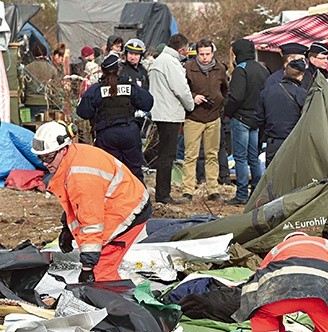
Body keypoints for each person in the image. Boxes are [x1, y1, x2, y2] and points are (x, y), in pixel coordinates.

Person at [31, 121, 152, 283]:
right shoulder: (73, 157)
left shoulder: (81, 177)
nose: (45, 163)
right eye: (41, 158)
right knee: (99, 267)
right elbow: (75, 202)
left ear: (64, 149)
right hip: (121, 201)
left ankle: (114, 304)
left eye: (49, 157)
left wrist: (88, 268)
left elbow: (91, 223)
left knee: (101, 273)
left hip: (126, 210)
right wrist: (67, 228)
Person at [77, 54, 153, 183]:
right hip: (129, 132)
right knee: (134, 172)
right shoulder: (130, 87)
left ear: (103, 71)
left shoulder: (96, 89)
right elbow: (148, 103)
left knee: (109, 173)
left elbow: (83, 112)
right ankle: (141, 202)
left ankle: (112, 202)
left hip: (106, 135)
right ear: (119, 69)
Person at [148, 33, 194, 204]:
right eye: (187, 49)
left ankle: (162, 193)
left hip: (160, 112)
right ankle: (163, 195)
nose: (188, 52)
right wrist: (190, 106)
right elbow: (181, 89)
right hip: (169, 114)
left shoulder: (159, 60)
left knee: (163, 154)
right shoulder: (171, 63)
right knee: (167, 156)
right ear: (181, 49)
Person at [223, 38, 269, 205]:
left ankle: (241, 194)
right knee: (254, 158)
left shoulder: (241, 70)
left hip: (241, 118)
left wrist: (227, 112)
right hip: (256, 119)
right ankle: (256, 192)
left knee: (240, 158)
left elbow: (235, 97)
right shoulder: (262, 70)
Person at [182, 39, 228, 202]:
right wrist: (194, 98)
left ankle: (213, 189)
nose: (205, 58)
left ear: (212, 53)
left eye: (207, 54)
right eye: (201, 54)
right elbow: (183, 90)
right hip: (194, 117)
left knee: (212, 154)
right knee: (191, 155)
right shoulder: (188, 68)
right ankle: (187, 189)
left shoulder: (220, 68)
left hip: (214, 117)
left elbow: (224, 89)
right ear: (197, 54)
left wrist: (220, 101)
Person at [256, 58, 306, 166]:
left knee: (272, 177)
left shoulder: (267, 92)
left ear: (285, 72)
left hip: (273, 142)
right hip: (294, 142)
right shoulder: (302, 94)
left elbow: (259, 118)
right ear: (301, 75)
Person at [23, 42, 60, 118]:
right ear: (45, 53)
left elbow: (23, 87)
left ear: (33, 54)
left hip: (30, 103)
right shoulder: (52, 69)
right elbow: (56, 90)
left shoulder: (27, 68)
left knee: (31, 127)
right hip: (46, 103)